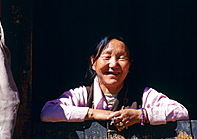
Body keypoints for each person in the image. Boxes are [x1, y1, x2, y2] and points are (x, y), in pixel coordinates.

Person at [40, 36, 189, 131]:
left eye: (121, 58)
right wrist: (92, 113)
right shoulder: (83, 94)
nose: (113, 64)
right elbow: (47, 113)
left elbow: (182, 112)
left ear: (129, 65)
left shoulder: (143, 95)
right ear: (93, 62)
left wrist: (140, 115)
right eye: (107, 57)